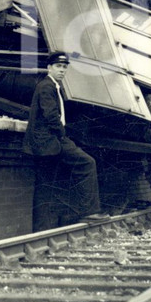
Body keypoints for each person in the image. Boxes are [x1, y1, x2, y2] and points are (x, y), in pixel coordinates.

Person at [23, 51, 106, 230]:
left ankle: (41, 230)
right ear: (49, 68)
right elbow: (51, 115)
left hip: (45, 144)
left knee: (45, 185)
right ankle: (89, 212)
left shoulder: (52, 86)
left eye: (64, 67)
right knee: (87, 163)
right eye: (58, 66)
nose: (62, 70)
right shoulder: (47, 86)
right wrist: (62, 135)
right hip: (51, 141)